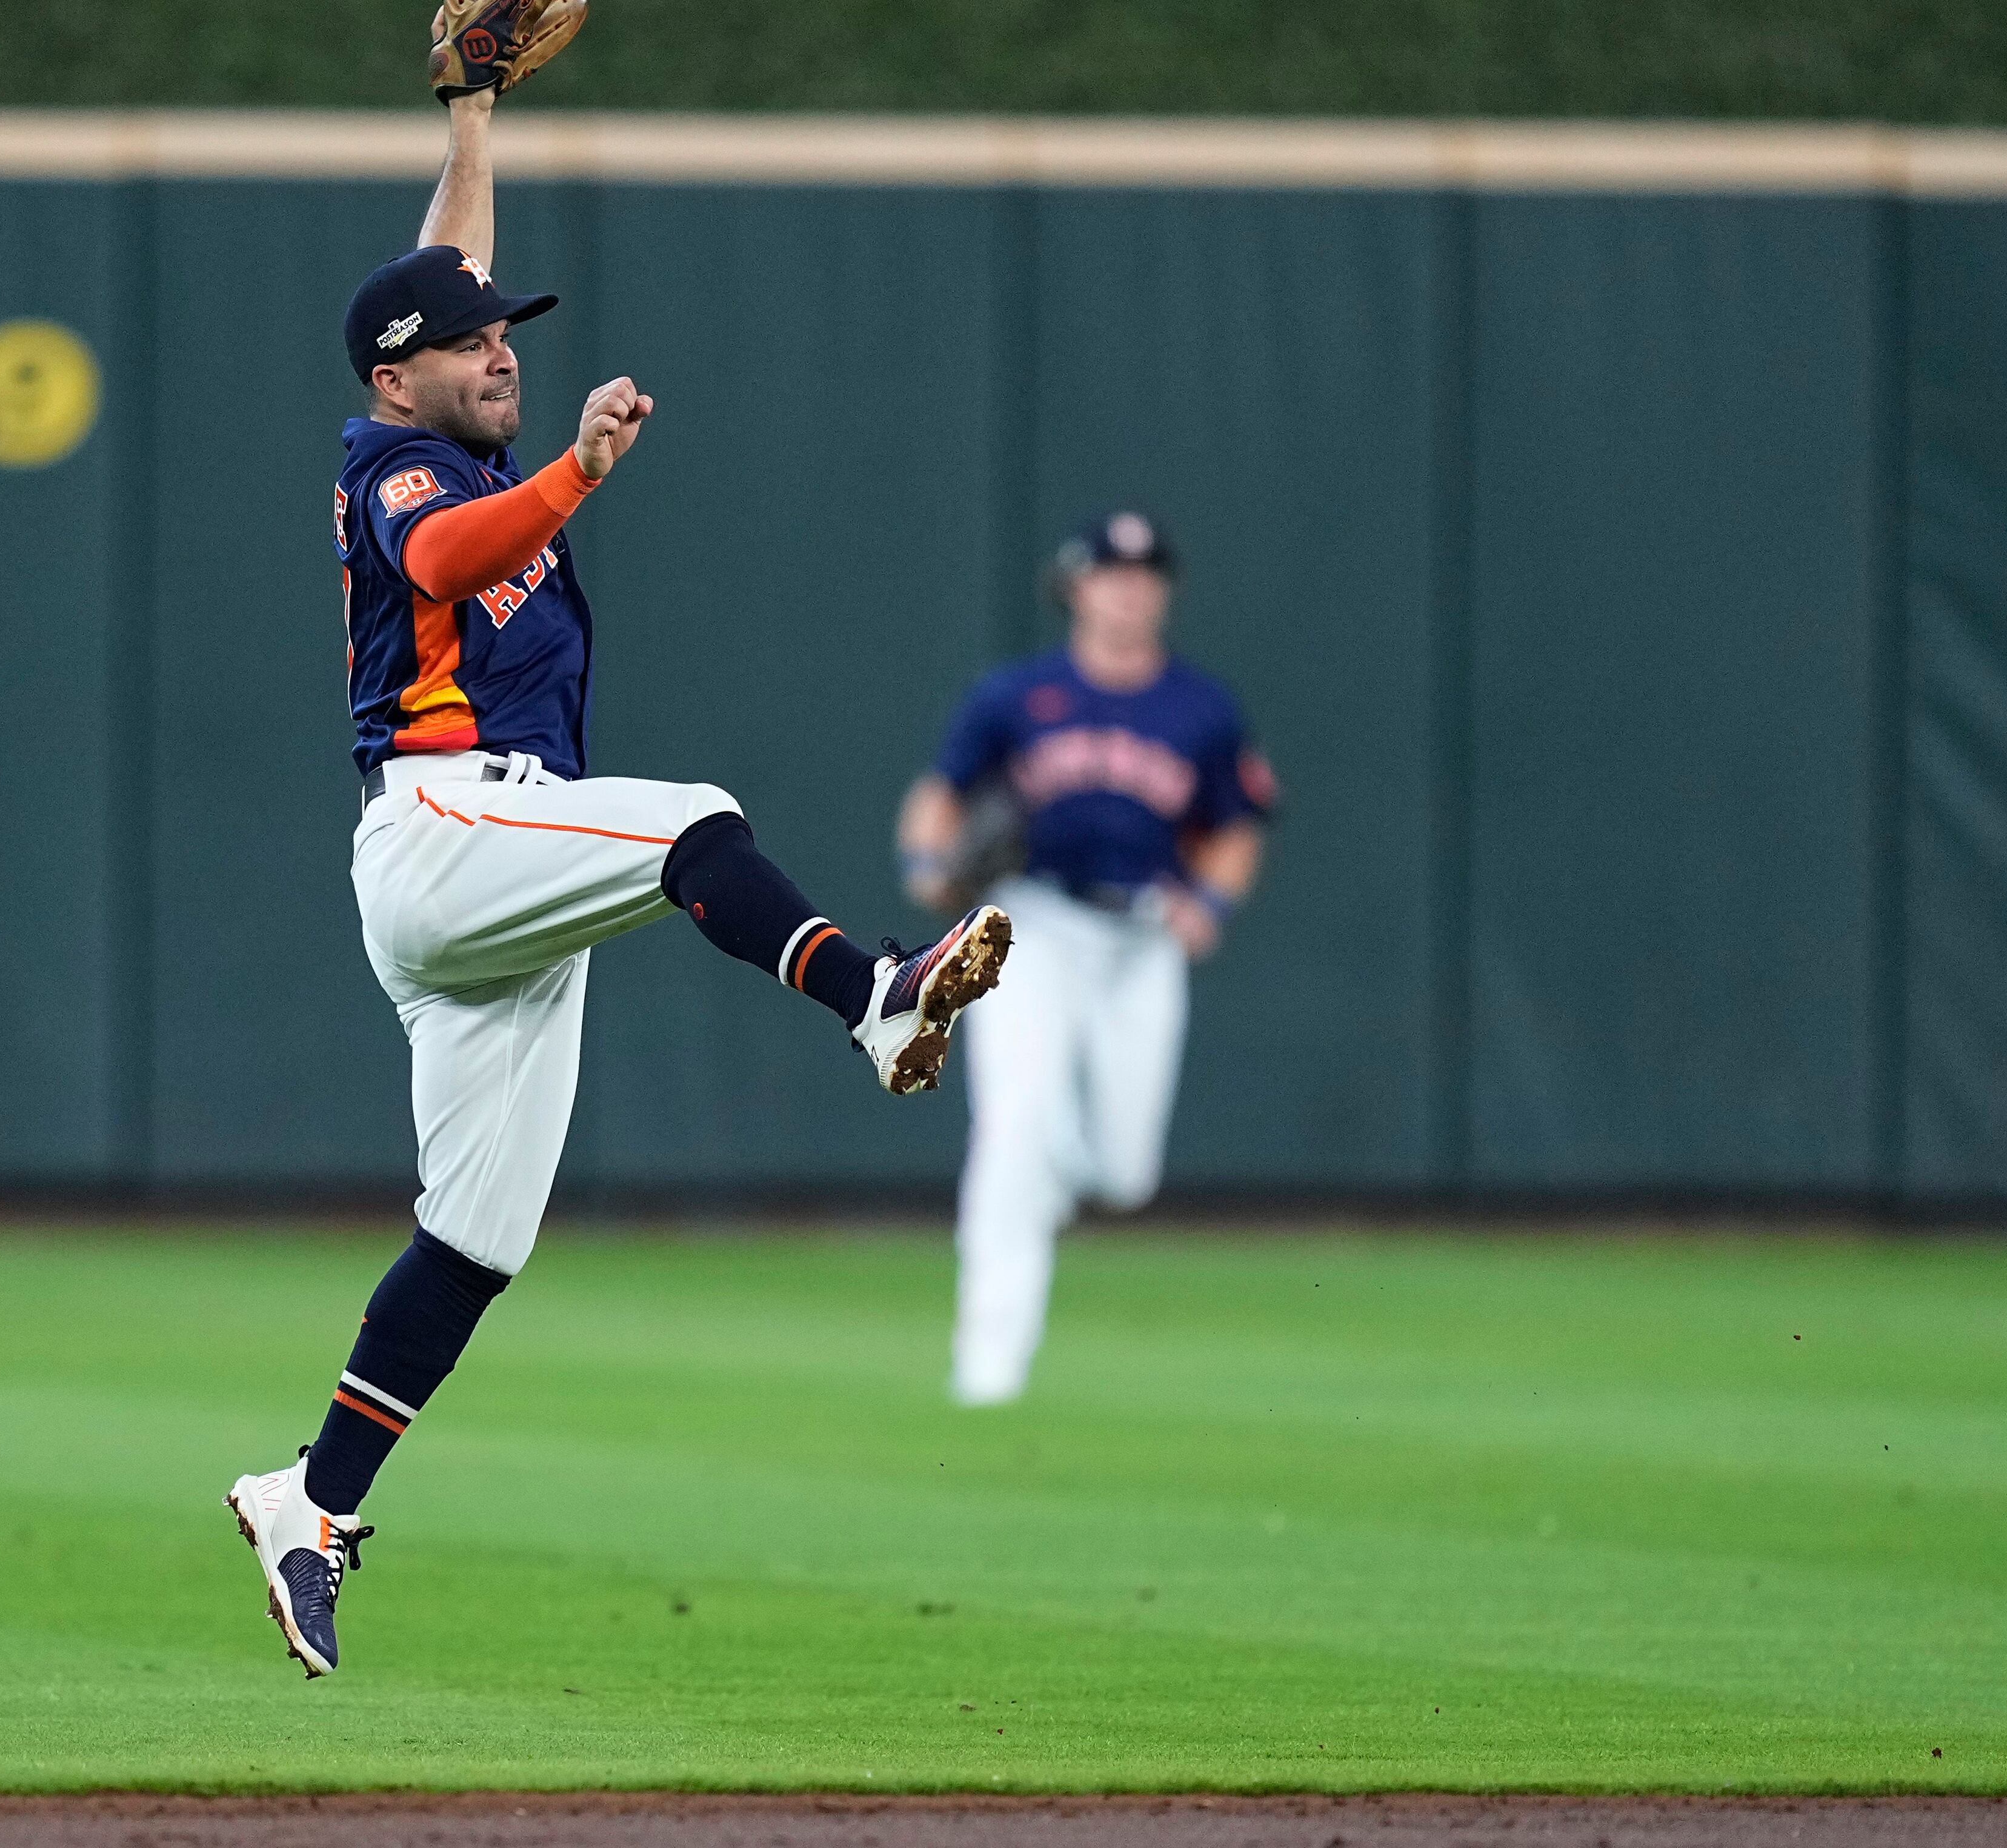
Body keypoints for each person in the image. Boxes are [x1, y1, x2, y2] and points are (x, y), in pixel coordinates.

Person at [224, 86, 1013, 1679]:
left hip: (487, 876)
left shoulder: (436, 393)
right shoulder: (395, 468)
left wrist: (471, 113)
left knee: (478, 1240)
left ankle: (307, 1498)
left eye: (510, 335)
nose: (502, 347)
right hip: (452, 829)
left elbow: (447, 261)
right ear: (399, 374)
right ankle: (872, 996)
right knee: (689, 823)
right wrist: (579, 467)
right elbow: (445, 562)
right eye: (474, 343)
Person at [895, 511, 1274, 1407]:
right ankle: (986, 1370)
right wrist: (924, 867)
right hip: (1035, 926)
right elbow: (938, 798)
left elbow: (1236, 827)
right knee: (1010, 1135)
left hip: (1143, 939)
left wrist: (1211, 900)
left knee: (1126, 1172)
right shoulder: (1017, 697)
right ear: (1076, 587)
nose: (1129, 588)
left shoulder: (1202, 708)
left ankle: (1056, 1155)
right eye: (1111, 573)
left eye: (1145, 575)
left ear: (1164, 591)